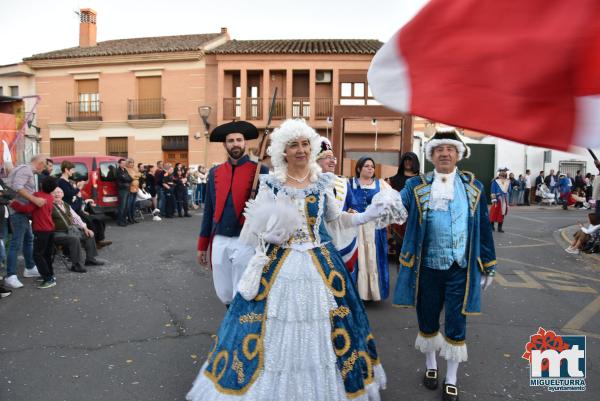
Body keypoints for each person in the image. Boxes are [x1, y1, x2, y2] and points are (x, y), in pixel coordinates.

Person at [187, 119, 388, 401]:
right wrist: (270, 235)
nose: (301, 150)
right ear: (283, 151)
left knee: (324, 326)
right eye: (294, 145)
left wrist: (367, 216)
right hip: (280, 263)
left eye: (305, 144)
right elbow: (257, 227)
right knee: (270, 326)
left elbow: (334, 219)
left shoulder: (323, 182)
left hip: (319, 263)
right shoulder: (272, 184)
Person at [393, 127, 496, 401]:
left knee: (456, 323)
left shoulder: (474, 187)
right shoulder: (415, 186)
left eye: (450, 149)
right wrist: (379, 200)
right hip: (426, 268)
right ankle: (430, 367)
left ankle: (451, 378)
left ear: (459, 154)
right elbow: (395, 208)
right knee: (427, 319)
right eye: (439, 150)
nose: (445, 154)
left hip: (459, 268)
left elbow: (484, 228)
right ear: (431, 155)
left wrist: (488, 265)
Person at [196, 121, 269, 305]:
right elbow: (209, 211)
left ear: (245, 143)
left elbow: (268, 210)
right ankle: (232, 324)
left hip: (246, 239)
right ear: (225, 144)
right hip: (219, 238)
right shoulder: (215, 172)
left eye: (239, 140)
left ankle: (240, 331)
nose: (235, 143)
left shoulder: (261, 170)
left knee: (243, 290)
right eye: (231, 140)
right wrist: (202, 245)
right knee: (224, 291)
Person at [349, 156, 391, 301]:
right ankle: (356, 293)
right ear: (359, 168)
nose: (370, 168)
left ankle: (373, 292)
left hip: (375, 228)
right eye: (366, 166)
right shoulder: (349, 184)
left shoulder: (382, 185)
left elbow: (392, 204)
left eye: (372, 166)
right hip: (355, 226)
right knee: (356, 258)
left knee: (373, 258)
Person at [315, 136, 358, 272]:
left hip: (340, 238)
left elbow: (353, 206)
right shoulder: (310, 183)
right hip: (318, 239)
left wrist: (353, 213)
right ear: (316, 161)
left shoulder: (343, 182)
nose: (332, 160)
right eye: (327, 157)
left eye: (333, 158)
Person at [4, 155, 46, 289]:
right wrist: (34, 200)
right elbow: (17, 187)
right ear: (40, 163)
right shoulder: (26, 170)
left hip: (21, 211)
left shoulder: (22, 169)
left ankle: (29, 267)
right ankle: (10, 275)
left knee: (29, 239)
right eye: (44, 165)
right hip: (18, 212)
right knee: (16, 243)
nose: (44, 168)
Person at [10, 177, 58, 288]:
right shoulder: (50, 197)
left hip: (41, 230)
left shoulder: (37, 195)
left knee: (37, 255)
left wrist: (14, 204)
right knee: (46, 254)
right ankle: (50, 274)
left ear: (41, 184)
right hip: (50, 229)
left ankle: (48, 279)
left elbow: (27, 209)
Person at [51, 187, 104, 272]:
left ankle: (90, 259)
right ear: (51, 194)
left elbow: (76, 217)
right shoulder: (49, 205)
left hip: (70, 230)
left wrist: (85, 228)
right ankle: (77, 265)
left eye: (59, 192)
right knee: (74, 239)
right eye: (55, 192)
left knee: (89, 234)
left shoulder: (66, 205)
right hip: (57, 233)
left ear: (63, 194)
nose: (57, 194)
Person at [387, 151, 420, 261]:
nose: (407, 162)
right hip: (397, 223)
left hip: (416, 220)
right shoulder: (391, 180)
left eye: (410, 160)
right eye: (405, 160)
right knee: (399, 257)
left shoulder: (423, 181)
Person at [489, 168, 511, 232]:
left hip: (504, 199)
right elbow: (492, 191)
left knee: (502, 213)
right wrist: (494, 199)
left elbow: (509, 190)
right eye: (501, 174)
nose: (502, 175)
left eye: (504, 174)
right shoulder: (495, 181)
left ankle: (499, 227)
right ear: (499, 174)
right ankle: (491, 226)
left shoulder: (507, 181)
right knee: (494, 213)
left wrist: (509, 185)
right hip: (497, 199)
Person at [115, 159, 132, 227]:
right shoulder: (118, 171)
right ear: (119, 164)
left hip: (127, 190)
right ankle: (120, 221)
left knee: (126, 207)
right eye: (122, 163)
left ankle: (124, 220)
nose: (124, 164)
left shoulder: (125, 170)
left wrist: (126, 179)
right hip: (122, 190)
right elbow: (119, 183)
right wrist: (126, 181)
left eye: (125, 163)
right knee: (122, 207)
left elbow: (130, 179)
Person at [125, 158, 140, 224]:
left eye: (133, 162)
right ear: (127, 163)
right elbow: (131, 177)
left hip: (136, 188)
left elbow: (139, 175)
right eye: (131, 162)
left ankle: (133, 218)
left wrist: (136, 176)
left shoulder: (134, 169)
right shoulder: (126, 169)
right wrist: (136, 176)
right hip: (130, 189)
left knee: (133, 205)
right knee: (129, 204)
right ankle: (129, 218)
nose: (132, 164)